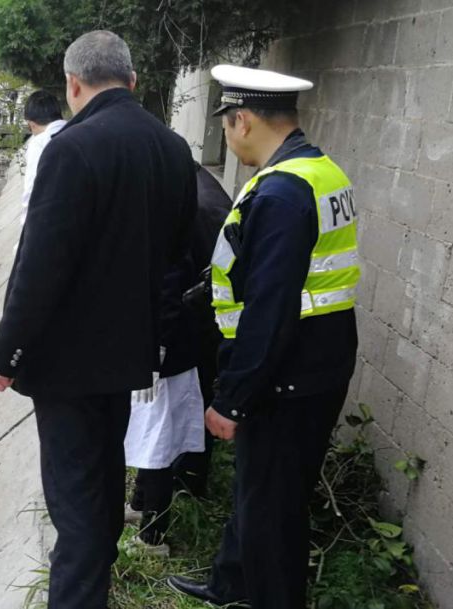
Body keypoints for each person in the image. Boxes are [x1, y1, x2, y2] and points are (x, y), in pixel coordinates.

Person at [0, 30, 196, 609]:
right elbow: (176, 261)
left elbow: (40, 269)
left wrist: (2, 356)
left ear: (73, 84)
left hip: (68, 369)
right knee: (99, 490)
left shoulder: (71, 148)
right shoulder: (172, 148)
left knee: (74, 511)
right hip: (128, 360)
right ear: (133, 81)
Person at [168, 65, 359, 609]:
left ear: (244, 120)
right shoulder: (321, 172)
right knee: (261, 488)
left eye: (227, 125)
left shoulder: (280, 195)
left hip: (288, 376)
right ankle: (231, 584)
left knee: (274, 509)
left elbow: (269, 309)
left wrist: (232, 398)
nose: (227, 136)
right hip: (317, 362)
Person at [122, 221, 206, 557]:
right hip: (163, 350)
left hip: (166, 355)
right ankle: (141, 505)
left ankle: (153, 538)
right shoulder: (164, 220)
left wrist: (155, 353)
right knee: (150, 435)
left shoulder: (166, 232)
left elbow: (169, 294)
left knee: (157, 442)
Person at [170, 164, 234, 497]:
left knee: (196, 387)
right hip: (213, 305)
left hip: (209, 310)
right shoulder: (197, 184)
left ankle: (188, 480)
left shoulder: (192, 207)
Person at [20, 90, 67, 223]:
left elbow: (32, 190)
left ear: (31, 123)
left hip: (52, 219)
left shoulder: (39, 142)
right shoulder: (78, 130)